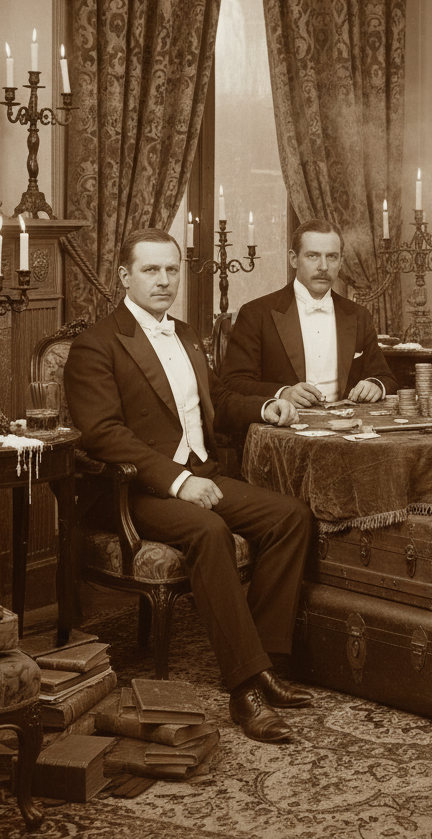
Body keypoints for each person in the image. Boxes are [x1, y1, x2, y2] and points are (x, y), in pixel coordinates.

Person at [64, 228, 315, 744]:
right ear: (124, 276)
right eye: (151, 270)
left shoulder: (185, 333)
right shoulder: (96, 345)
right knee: (207, 530)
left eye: (171, 270)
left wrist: (267, 407)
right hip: (132, 492)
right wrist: (177, 481)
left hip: (200, 472)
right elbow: (102, 434)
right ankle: (244, 689)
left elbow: (217, 399)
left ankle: (264, 660)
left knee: (291, 517)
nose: (163, 280)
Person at [221, 218, 398, 406]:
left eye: (332, 256)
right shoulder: (256, 313)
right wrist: (282, 393)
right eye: (313, 256)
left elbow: (385, 377)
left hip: (345, 428)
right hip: (284, 428)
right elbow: (232, 383)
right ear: (293, 259)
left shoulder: (358, 315)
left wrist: (375, 384)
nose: (323, 267)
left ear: (341, 261)